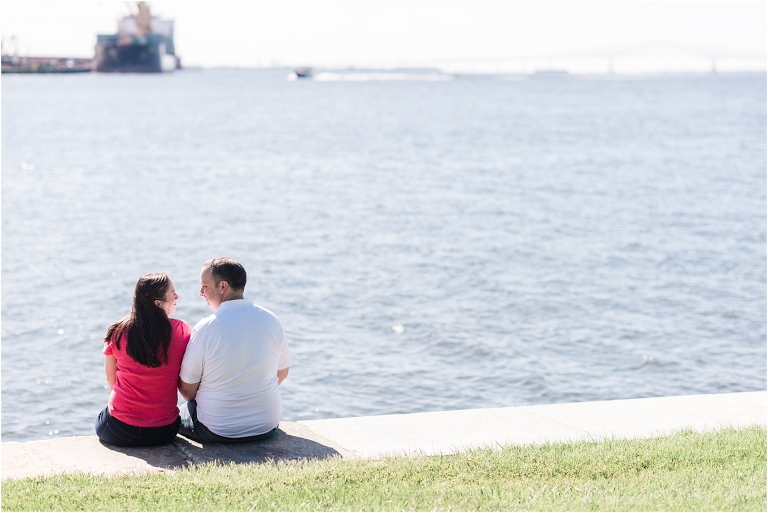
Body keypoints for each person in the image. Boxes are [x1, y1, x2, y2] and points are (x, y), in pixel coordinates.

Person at [178, 257, 291, 443]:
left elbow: (187, 391)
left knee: (173, 416)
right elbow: (282, 372)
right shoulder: (271, 320)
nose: (200, 292)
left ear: (223, 287)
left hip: (217, 430)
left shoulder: (206, 328)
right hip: (266, 426)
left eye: (204, 286)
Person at [95, 273, 191, 447]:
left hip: (119, 431)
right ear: (157, 303)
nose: (177, 296)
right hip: (164, 431)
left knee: (103, 416)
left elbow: (111, 378)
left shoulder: (117, 332)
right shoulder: (181, 331)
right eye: (173, 293)